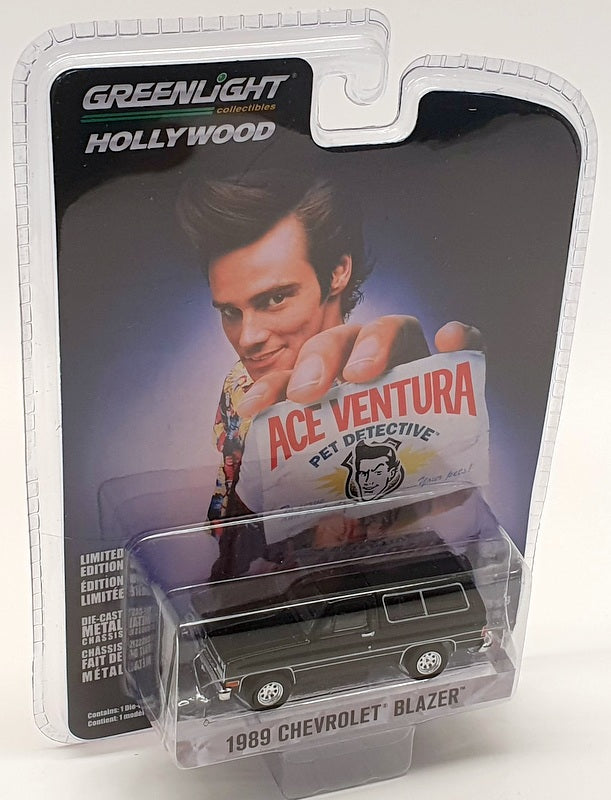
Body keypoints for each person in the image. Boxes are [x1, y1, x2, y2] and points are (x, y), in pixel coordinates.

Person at [177, 168, 482, 523]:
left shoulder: (391, 392)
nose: (247, 338)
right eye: (231, 311)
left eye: (275, 298)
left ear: (337, 272)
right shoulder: (238, 384)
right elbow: (226, 496)